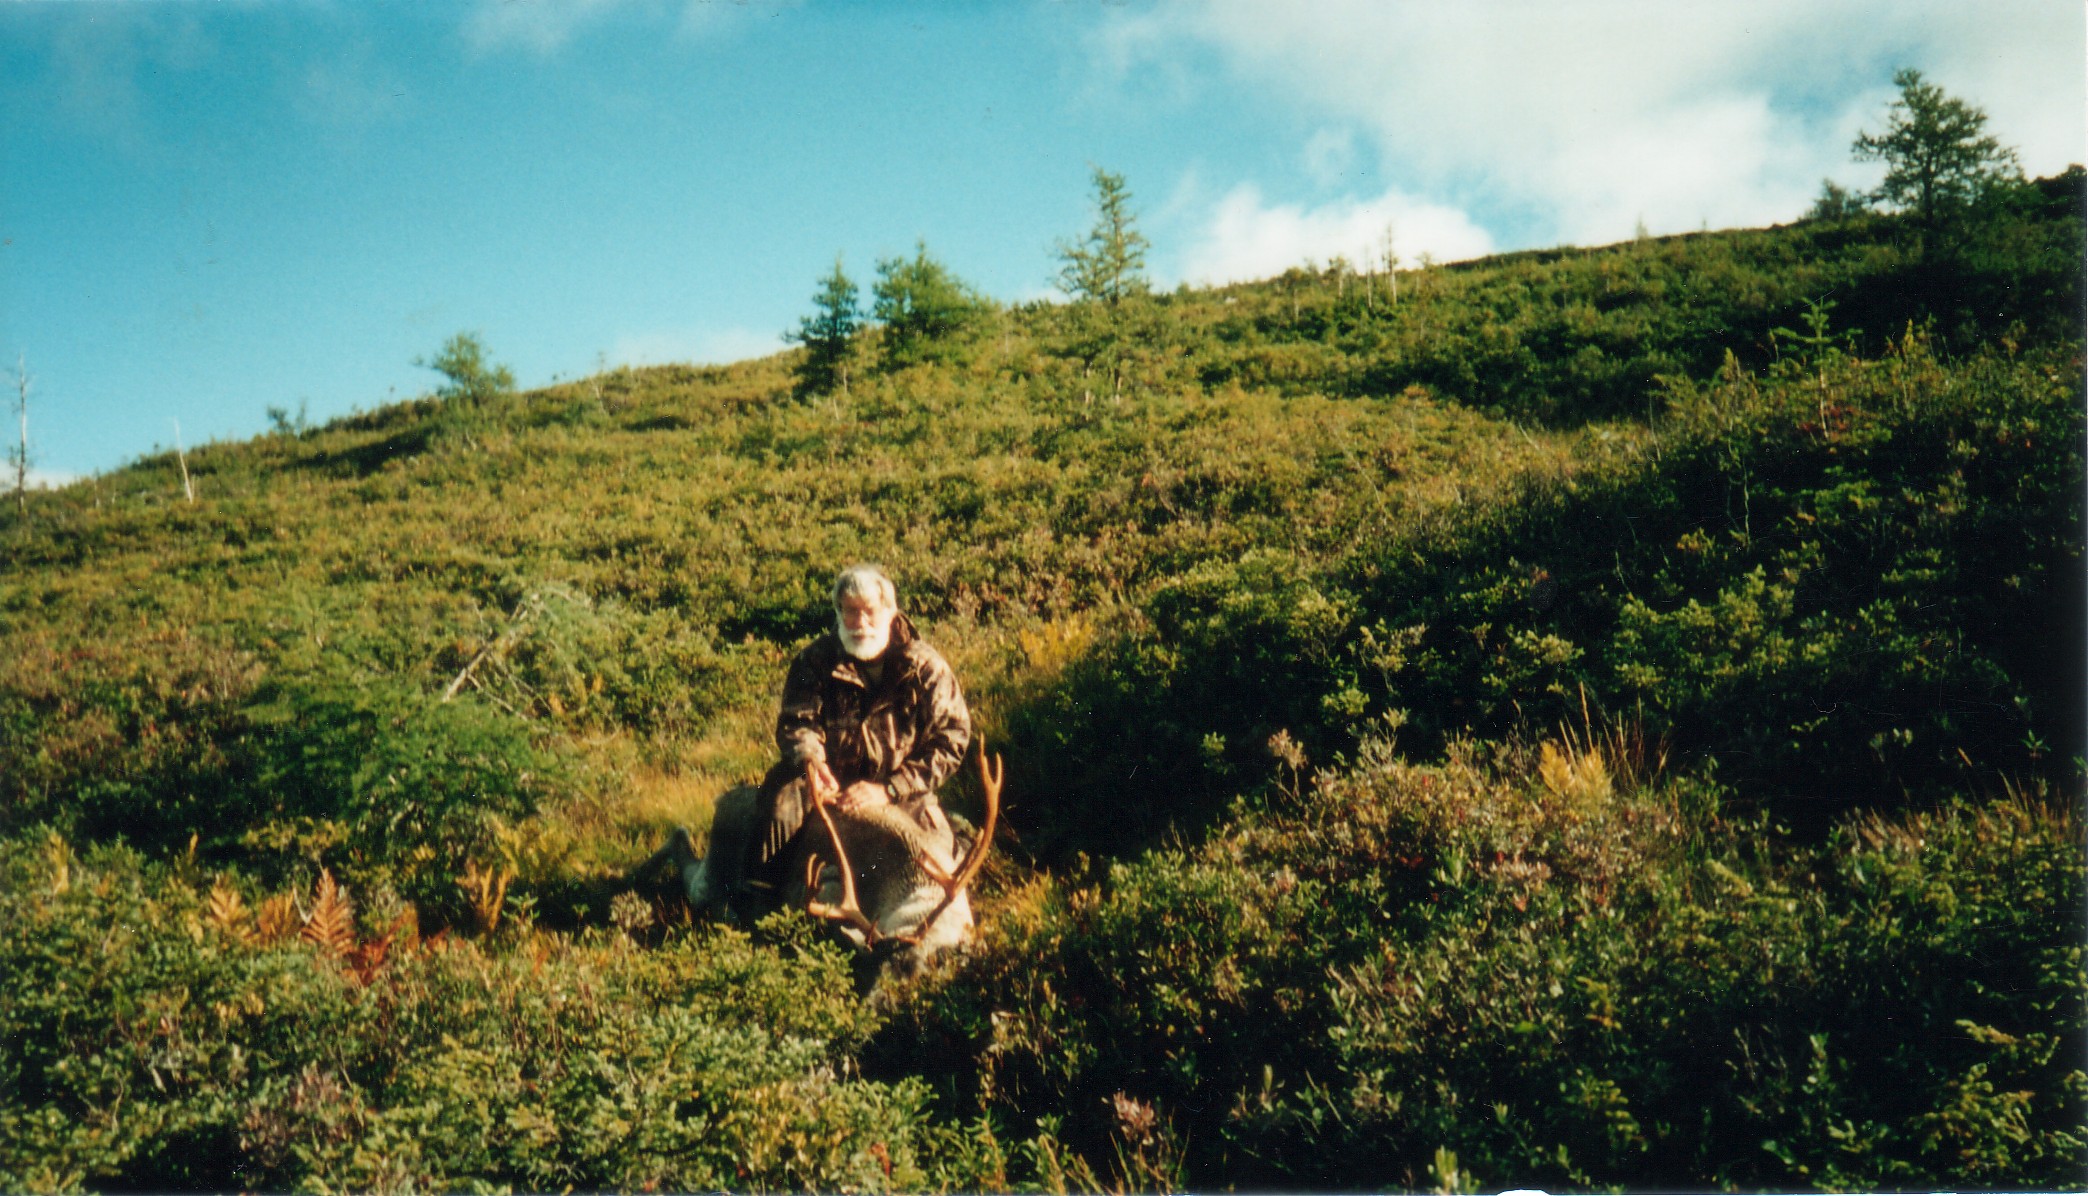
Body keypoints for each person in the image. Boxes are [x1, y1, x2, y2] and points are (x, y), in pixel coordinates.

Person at [729, 564, 971, 913]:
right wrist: (812, 761)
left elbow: (952, 740)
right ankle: (757, 902)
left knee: (937, 866)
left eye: (869, 611)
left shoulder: (926, 668)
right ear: (838, 612)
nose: (860, 622)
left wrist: (890, 788)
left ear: (889, 612)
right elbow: (797, 723)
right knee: (781, 806)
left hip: (903, 792)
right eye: (850, 611)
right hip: (827, 784)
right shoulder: (815, 661)